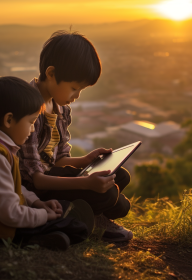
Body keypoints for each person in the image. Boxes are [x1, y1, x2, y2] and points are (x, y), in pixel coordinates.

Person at [19, 30, 133, 242]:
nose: (77, 96)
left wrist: (86, 160)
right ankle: (92, 219)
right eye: (74, 88)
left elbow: (59, 159)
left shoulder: (61, 109)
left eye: (81, 89)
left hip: (52, 175)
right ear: (51, 74)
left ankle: (88, 212)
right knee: (110, 196)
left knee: (120, 176)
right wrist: (86, 183)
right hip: (34, 189)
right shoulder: (28, 108)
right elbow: (36, 180)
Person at [0, 76, 90, 250]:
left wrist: (36, 203)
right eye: (31, 122)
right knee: (77, 228)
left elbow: (14, 187)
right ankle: (31, 239)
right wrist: (43, 215)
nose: (33, 129)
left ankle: (45, 236)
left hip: (3, 217)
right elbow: (10, 214)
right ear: (9, 120)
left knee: (63, 215)